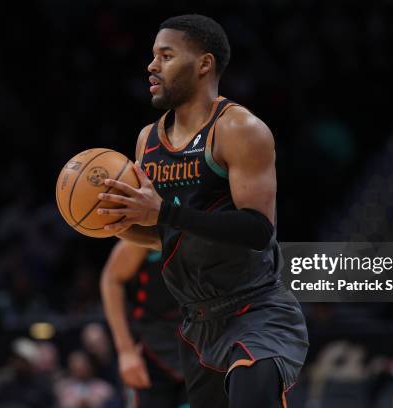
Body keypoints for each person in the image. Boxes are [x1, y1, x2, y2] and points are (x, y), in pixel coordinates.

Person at [97, 14, 308, 407]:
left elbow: (258, 230)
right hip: (196, 324)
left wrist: (163, 214)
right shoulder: (148, 139)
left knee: (252, 390)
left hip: (256, 311)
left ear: (204, 64)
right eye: (152, 56)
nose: (151, 66)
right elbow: (164, 232)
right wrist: (118, 222)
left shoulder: (240, 129)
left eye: (165, 55)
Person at [100, 240, 187, 407]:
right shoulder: (148, 233)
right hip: (151, 352)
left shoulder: (209, 226)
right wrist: (126, 350)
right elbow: (111, 279)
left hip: (201, 344)